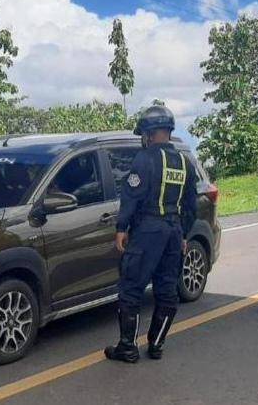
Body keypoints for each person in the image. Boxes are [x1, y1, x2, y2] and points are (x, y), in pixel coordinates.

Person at [104, 104, 198, 363]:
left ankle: (128, 347)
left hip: (148, 231)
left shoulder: (144, 159)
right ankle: (156, 345)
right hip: (173, 232)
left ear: (149, 132)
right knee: (167, 289)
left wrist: (121, 228)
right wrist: (183, 235)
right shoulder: (185, 162)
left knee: (131, 287)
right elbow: (191, 204)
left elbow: (131, 196)